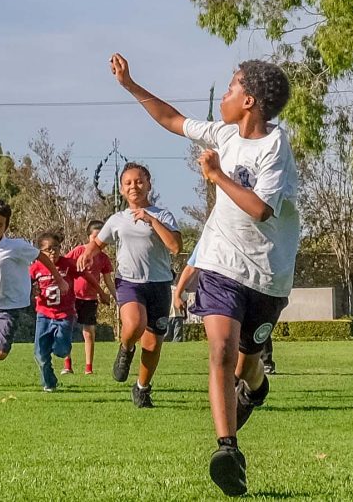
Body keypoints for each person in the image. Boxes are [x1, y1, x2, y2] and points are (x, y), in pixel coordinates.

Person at [110, 53, 299, 496]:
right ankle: (227, 450)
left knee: (247, 368)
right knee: (219, 350)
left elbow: (260, 209)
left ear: (249, 100)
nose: (225, 94)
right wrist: (131, 86)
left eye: (232, 88)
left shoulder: (275, 147)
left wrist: (215, 175)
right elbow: (172, 119)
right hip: (220, 265)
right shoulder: (223, 133)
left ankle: (254, 387)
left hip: (268, 275)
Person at [76, 162, 182, 408]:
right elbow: (98, 243)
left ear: (148, 184)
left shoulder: (163, 215)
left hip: (159, 284)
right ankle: (125, 349)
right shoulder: (117, 219)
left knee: (153, 343)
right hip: (129, 282)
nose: (134, 186)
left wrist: (151, 220)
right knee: (135, 323)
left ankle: (142, 388)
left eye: (139, 181)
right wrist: (88, 253)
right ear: (122, 190)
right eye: (128, 183)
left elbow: (176, 247)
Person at [0, 199, 67, 400]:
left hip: (9, 307)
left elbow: (42, 257)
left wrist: (59, 279)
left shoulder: (16, 246)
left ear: (6, 226)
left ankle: (0, 340)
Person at [64, 220, 115, 374]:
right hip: (73, 297)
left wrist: (116, 298)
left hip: (90, 299)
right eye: (95, 236)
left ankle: (88, 367)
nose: (98, 240)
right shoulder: (78, 251)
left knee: (89, 332)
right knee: (66, 329)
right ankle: (67, 365)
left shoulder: (104, 258)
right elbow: (64, 267)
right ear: (89, 237)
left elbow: (108, 280)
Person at [30, 232, 79, 391]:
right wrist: (32, 291)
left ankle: (60, 346)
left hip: (65, 315)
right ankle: (49, 382)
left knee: (61, 350)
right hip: (43, 314)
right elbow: (26, 283)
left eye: (56, 248)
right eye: (48, 249)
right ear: (40, 252)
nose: (53, 252)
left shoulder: (67, 264)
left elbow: (84, 273)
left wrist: (100, 290)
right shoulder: (36, 267)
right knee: (39, 354)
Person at [169, 251, 200, 343]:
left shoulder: (177, 289)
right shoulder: (176, 289)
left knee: (171, 335)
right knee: (176, 335)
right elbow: (185, 302)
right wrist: (185, 314)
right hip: (175, 315)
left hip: (173, 315)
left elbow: (184, 301)